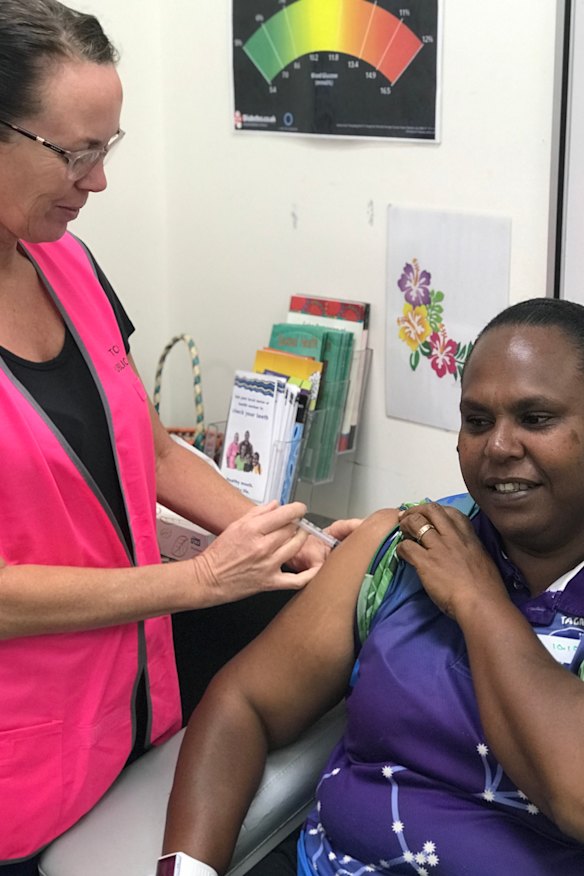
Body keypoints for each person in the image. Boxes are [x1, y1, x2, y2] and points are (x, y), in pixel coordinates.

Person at [0, 2, 358, 872]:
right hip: (20, 763)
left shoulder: (65, 262)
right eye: (75, 153)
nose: (97, 182)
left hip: (128, 706)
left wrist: (282, 535)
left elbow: (151, 449)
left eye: (108, 148)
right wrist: (198, 579)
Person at [160, 298, 584, 875]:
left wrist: (477, 598)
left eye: (535, 419)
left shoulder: (459, 571)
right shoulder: (401, 546)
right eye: (478, 421)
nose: (499, 447)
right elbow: (244, 703)